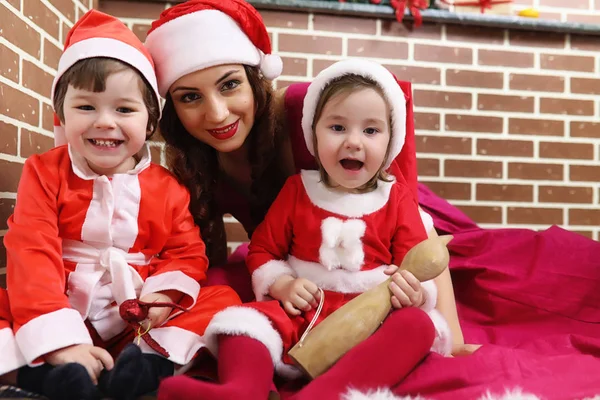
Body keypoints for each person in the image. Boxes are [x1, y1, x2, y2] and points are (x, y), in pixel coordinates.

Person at [145, 0, 468, 354]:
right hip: (300, 268)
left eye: (229, 85)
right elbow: (211, 258)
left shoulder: (302, 112)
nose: (218, 113)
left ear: (255, 80)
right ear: (173, 109)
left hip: (384, 231)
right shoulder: (196, 165)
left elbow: (418, 232)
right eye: (190, 97)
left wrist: (452, 337)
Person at [157, 59, 450, 400]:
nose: (354, 142)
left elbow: (416, 264)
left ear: (390, 141)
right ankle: (240, 389)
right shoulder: (298, 190)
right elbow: (264, 250)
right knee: (241, 323)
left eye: (371, 131)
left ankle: (326, 393)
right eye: (337, 128)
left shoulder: (395, 198)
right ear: (313, 134)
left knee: (416, 326)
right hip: (305, 311)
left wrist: (416, 294)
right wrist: (282, 284)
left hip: (373, 317)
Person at [0, 10, 240, 400]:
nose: (104, 122)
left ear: (149, 123)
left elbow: (186, 252)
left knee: (220, 298)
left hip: (134, 316)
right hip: (60, 301)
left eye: (124, 109)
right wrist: (61, 341)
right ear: (61, 114)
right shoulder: (44, 172)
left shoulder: (166, 187)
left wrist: (163, 296)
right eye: (86, 107)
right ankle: (50, 373)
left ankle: (145, 364)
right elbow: (31, 251)